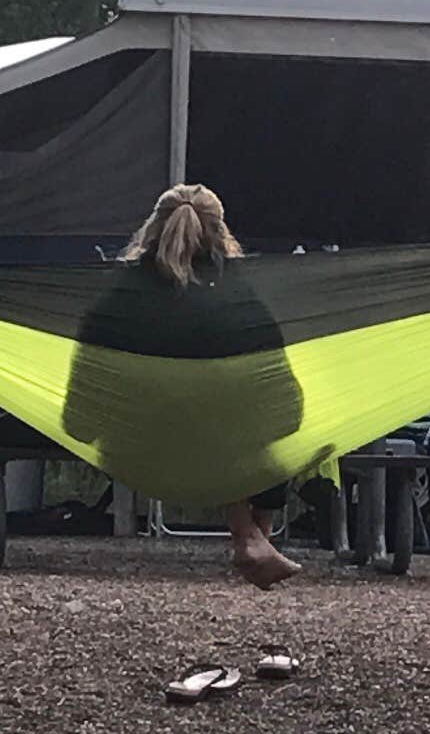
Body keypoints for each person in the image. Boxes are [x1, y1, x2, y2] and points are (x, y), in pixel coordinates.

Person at [77, 183, 300, 586]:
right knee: (250, 424)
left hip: (130, 447)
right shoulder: (240, 298)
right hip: (221, 450)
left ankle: (253, 539)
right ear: (220, 234)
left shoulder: (117, 297)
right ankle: (253, 535)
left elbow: (81, 410)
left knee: (211, 414)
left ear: (151, 230)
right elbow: (285, 402)